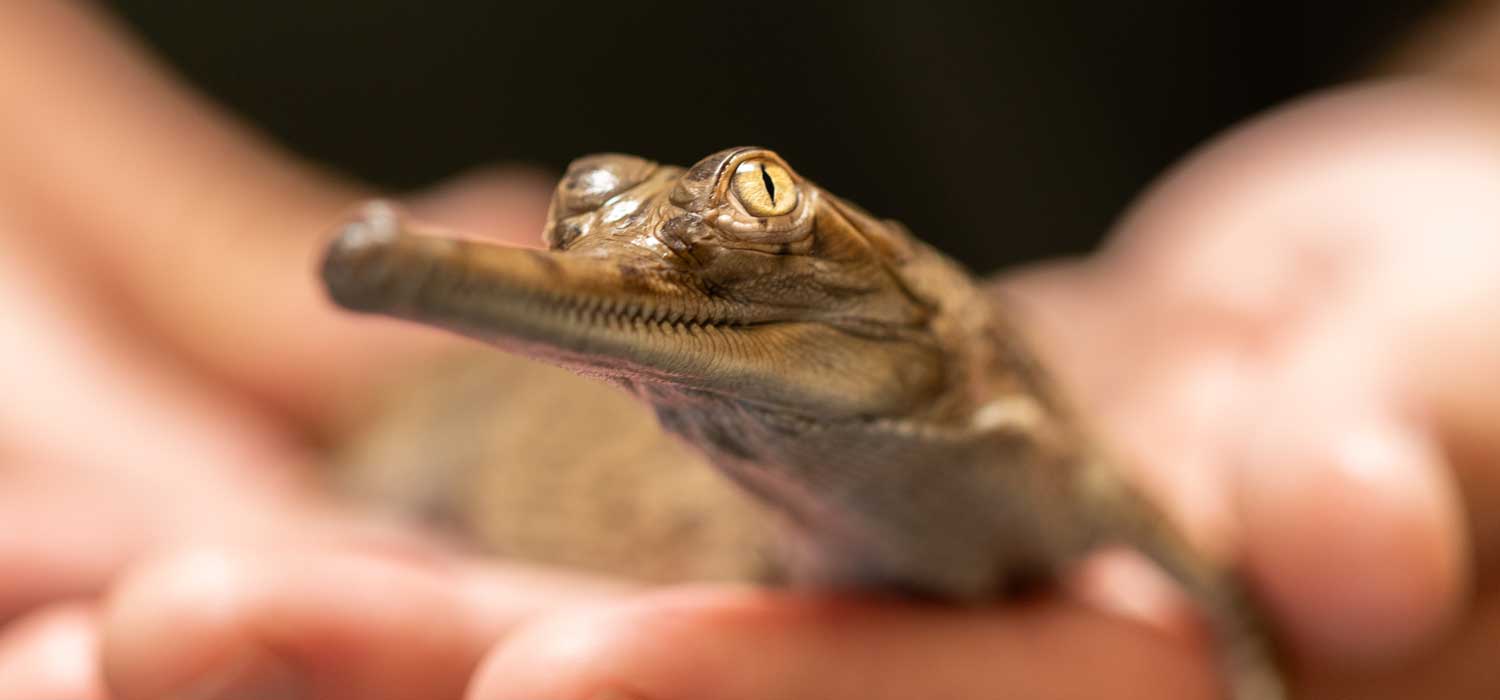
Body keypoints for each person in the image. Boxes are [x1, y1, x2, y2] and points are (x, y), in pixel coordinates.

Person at [1, 2, 1496, 698]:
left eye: (755, 213)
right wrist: (176, 240)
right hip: (292, 412)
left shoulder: (1075, 474)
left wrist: (1467, 115)